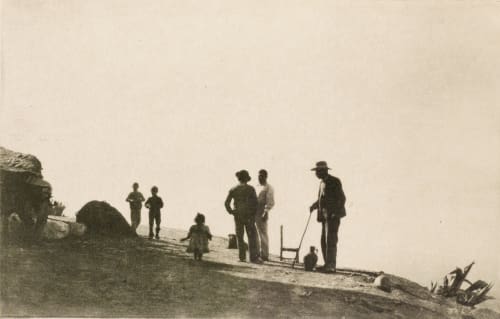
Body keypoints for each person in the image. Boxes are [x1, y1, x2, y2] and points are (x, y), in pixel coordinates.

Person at [309, 161, 346, 273]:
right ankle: (327, 264)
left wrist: (335, 212)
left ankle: (331, 266)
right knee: (324, 240)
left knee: (331, 240)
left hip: (333, 216)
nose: (316, 174)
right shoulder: (322, 183)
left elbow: (342, 198)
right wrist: (314, 205)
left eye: (317, 171)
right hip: (324, 216)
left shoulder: (334, 181)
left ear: (323, 171)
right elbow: (322, 199)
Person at [224, 170, 261, 263]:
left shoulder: (233, 189)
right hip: (249, 216)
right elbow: (256, 203)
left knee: (240, 236)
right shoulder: (251, 189)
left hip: (238, 215)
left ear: (239, 179)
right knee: (251, 236)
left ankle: (242, 257)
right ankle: (253, 257)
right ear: (246, 179)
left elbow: (226, 203)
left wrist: (231, 212)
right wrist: (253, 213)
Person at [255, 169, 275, 261]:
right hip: (254, 211)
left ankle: (264, 254)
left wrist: (265, 212)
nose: (260, 177)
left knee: (263, 233)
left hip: (262, 210)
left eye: (262, 176)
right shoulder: (257, 186)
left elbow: (270, 202)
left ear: (266, 177)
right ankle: (257, 253)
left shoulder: (268, 187)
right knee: (255, 233)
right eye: (259, 175)